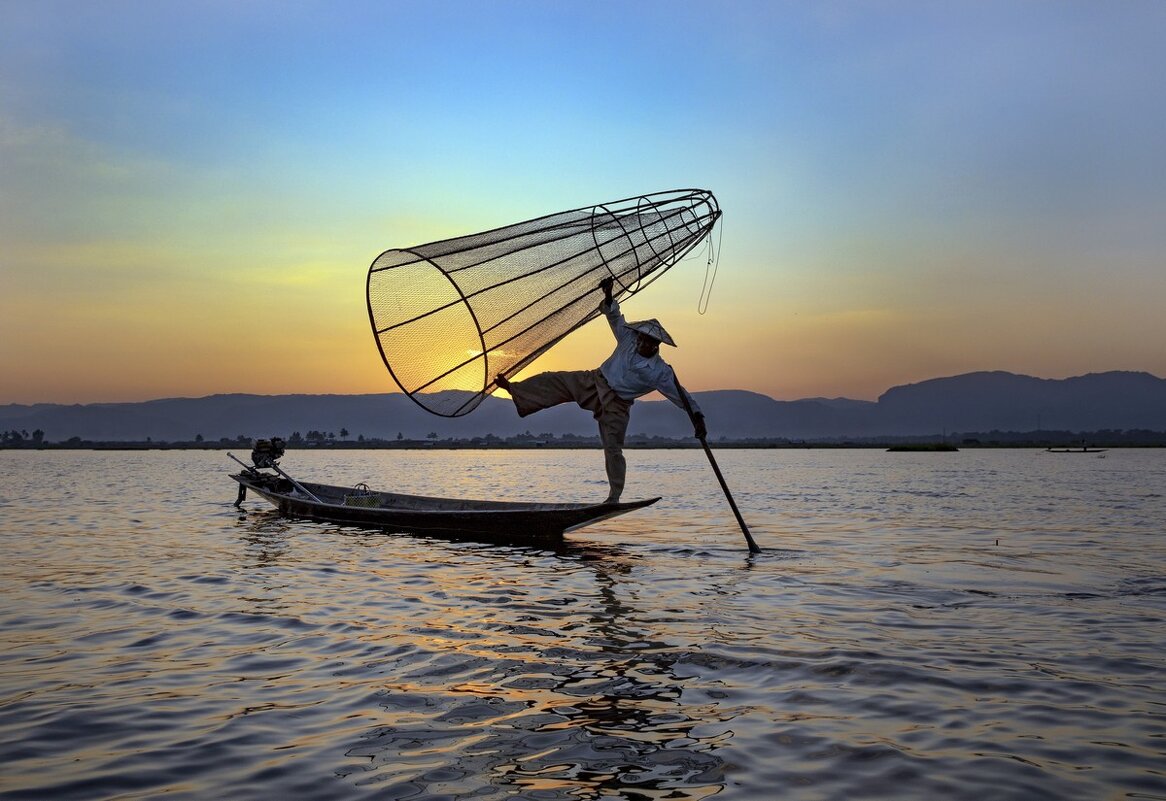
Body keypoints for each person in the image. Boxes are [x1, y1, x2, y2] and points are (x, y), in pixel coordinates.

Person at [495, 277, 706, 503]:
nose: (642, 344)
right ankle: (514, 390)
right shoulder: (629, 338)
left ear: (656, 346)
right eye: (642, 339)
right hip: (595, 381)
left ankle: (614, 497)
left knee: (613, 448)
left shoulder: (661, 372)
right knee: (554, 380)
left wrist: (697, 417)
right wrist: (608, 294)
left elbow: (680, 395)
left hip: (618, 404)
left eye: (648, 342)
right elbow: (615, 316)